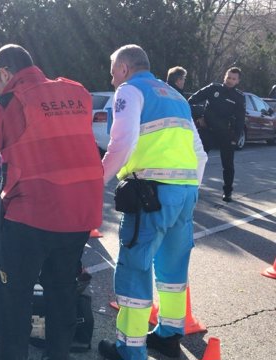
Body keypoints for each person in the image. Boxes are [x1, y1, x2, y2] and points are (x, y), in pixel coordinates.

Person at [0, 44, 103, 360]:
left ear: (4, 73)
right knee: (62, 292)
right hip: (80, 213)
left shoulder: (6, 102)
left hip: (31, 216)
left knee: (15, 299)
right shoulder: (77, 93)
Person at [98, 45, 207, 360]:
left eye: (112, 71)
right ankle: (169, 336)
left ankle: (129, 350)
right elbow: (199, 152)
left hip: (151, 194)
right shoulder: (176, 96)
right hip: (184, 192)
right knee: (173, 268)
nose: (111, 78)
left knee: (135, 266)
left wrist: (98, 180)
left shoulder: (129, 91)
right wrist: (189, 188)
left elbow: (122, 141)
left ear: (123, 68)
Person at [188, 67, 245, 202]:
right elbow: (191, 101)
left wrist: (236, 138)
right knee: (197, 160)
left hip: (226, 134)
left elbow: (240, 120)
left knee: (228, 165)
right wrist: (199, 116)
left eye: (234, 79)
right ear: (224, 77)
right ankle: (191, 188)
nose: (230, 80)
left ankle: (227, 192)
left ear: (238, 81)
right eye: (229, 77)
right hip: (207, 131)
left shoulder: (239, 97)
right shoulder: (213, 88)